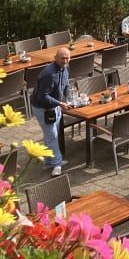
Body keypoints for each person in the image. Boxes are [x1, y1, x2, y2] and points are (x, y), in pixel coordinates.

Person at [30, 47, 71, 176]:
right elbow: (43, 97)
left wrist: (69, 98)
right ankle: (57, 164)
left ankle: (48, 162)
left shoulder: (66, 67)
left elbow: (66, 83)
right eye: (62, 58)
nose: (65, 61)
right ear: (55, 58)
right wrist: (60, 103)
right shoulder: (49, 74)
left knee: (51, 135)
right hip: (43, 108)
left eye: (67, 58)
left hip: (55, 106)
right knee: (52, 135)